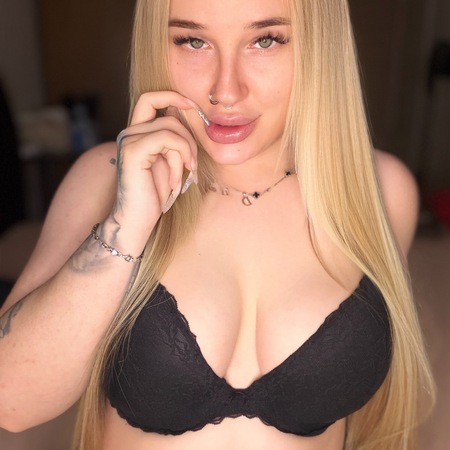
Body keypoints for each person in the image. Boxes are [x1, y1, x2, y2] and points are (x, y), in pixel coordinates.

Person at [0, 0, 435, 449]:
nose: (226, 90)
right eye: (193, 41)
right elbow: (11, 402)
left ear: (320, 46)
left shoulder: (378, 191)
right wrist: (127, 225)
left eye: (265, 40)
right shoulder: (106, 178)